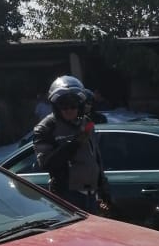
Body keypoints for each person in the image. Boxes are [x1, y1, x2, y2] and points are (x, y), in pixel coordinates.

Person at [33, 75, 111, 214]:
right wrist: (73, 144)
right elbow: (45, 163)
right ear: (56, 107)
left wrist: (103, 188)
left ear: (80, 105)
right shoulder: (46, 128)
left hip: (91, 195)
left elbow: (95, 157)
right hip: (67, 196)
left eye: (73, 105)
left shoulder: (86, 122)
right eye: (63, 106)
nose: (69, 110)